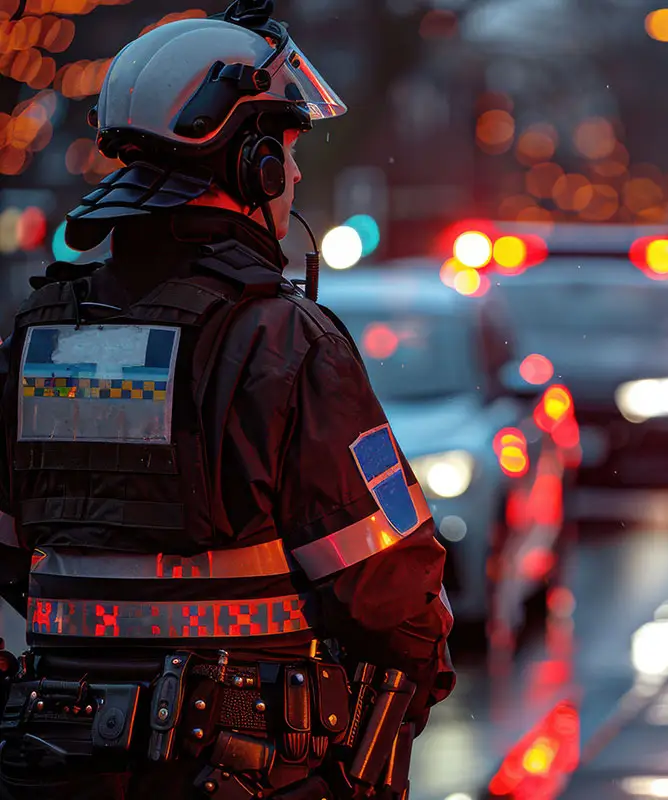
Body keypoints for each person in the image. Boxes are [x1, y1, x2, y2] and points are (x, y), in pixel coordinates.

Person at [0, 1, 454, 797]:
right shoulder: (285, 340)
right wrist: (421, 673)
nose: (296, 173)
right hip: (240, 766)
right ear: (253, 166)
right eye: (285, 146)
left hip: (51, 756)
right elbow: (386, 588)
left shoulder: (40, 333)